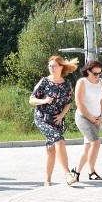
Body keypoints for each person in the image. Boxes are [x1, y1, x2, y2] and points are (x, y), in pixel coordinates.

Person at [30, 55, 79, 186]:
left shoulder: (67, 84)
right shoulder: (44, 82)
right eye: (50, 66)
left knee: (51, 148)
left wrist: (62, 114)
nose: (51, 68)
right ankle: (67, 174)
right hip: (42, 118)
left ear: (61, 67)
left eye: (54, 66)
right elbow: (31, 100)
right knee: (59, 139)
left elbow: (68, 103)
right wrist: (44, 100)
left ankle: (47, 179)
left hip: (57, 119)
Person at [72, 60, 102, 181]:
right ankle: (91, 172)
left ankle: (76, 172)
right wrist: (90, 117)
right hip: (83, 117)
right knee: (96, 143)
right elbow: (79, 102)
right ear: (88, 71)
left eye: (99, 73)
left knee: (88, 147)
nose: (97, 76)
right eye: (95, 73)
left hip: (97, 118)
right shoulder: (82, 82)